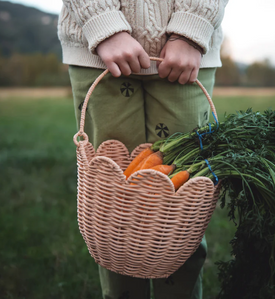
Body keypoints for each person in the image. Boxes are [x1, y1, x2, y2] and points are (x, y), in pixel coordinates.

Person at [58, 1, 228, 298]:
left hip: (187, 57)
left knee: (181, 214)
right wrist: (104, 24)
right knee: (112, 211)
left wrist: (191, 29)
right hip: (96, 51)